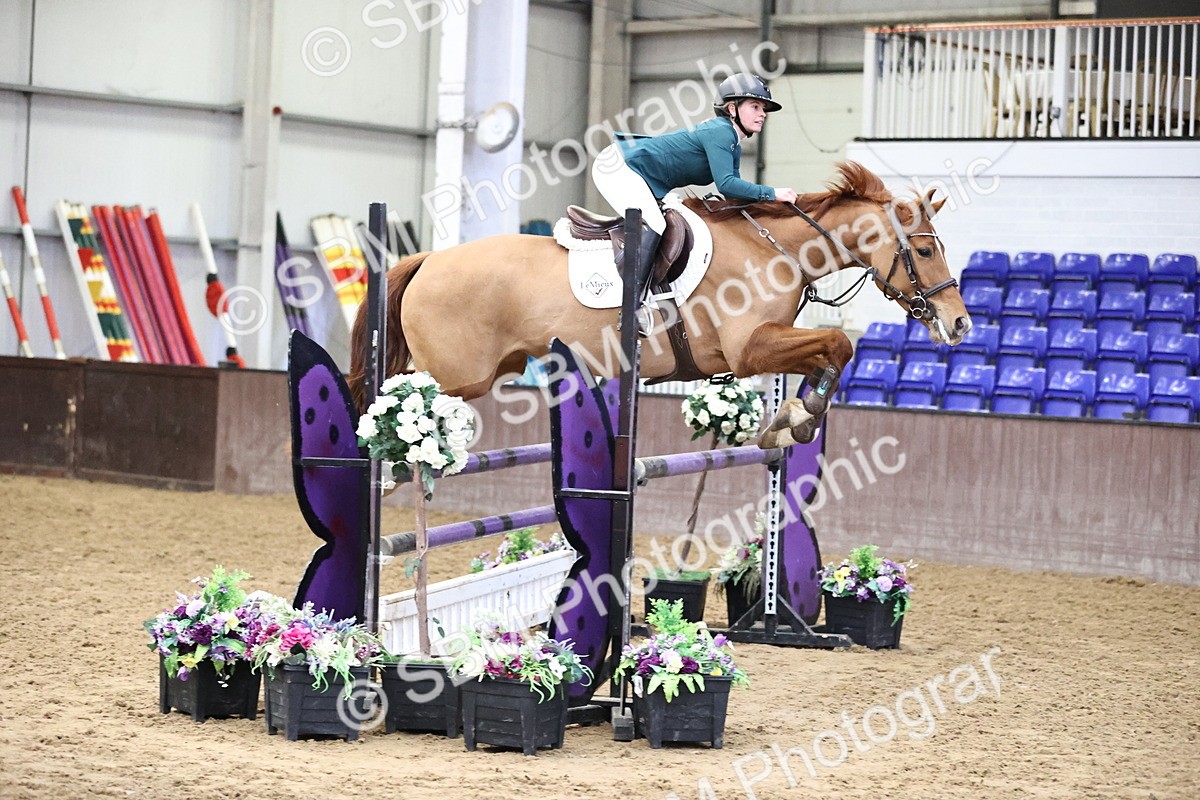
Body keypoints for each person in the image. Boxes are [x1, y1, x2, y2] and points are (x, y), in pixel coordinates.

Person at [591, 73, 798, 305]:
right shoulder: (721, 132)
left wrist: (773, 210)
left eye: (764, 109)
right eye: (755, 106)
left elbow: (733, 195)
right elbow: (727, 184)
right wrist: (772, 193)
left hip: (640, 174)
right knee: (657, 224)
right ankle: (631, 305)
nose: (763, 113)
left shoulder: (733, 144)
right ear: (732, 109)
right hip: (618, 166)